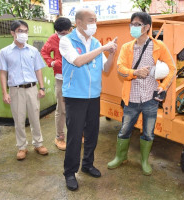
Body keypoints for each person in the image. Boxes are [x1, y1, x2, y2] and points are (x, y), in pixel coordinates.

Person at [107, 12, 176, 175]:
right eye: (132, 24)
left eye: (137, 24)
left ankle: (144, 161)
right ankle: (120, 157)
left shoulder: (158, 46)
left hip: (150, 98)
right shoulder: (126, 47)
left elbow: (172, 68)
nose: (133, 27)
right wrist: (135, 72)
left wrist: (164, 86)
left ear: (146, 27)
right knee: (124, 130)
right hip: (130, 98)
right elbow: (120, 69)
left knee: (148, 132)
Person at [59, 9, 117, 191]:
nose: (95, 23)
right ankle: (70, 172)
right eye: (91, 20)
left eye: (95, 19)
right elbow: (77, 61)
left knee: (92, 133)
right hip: (75, 96)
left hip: (93, 96)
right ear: (79, 22)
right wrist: (102, 49)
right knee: (75, 136)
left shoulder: (96, 42)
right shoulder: (67, 41)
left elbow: (106, 68)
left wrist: (112, 53)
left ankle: (87, 164)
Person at [0, 20, 48, 161]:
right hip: (15, 90)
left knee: (35, 118)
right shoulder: (5, 52)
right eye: (20, 31)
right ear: (12, 33)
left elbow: (38, 70)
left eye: (25, 31)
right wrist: (4, 92)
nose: (23, 34)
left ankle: (38, 144)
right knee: (18, 119)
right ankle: (22, 147)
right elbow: (2, 73)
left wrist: (42, 87)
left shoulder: (33, 51)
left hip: (32, 88)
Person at [41, 17, 72, 151]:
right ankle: (59, 137)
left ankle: (78, 133)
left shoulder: (76, 37)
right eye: (60, 33)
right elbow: (44, 52)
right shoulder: (53, 38)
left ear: (70, 29)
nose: (62, 36)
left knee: (77, 107)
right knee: (61, 109)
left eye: (65, 33)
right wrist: (52, 62)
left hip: (75, 77)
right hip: (60, 77)